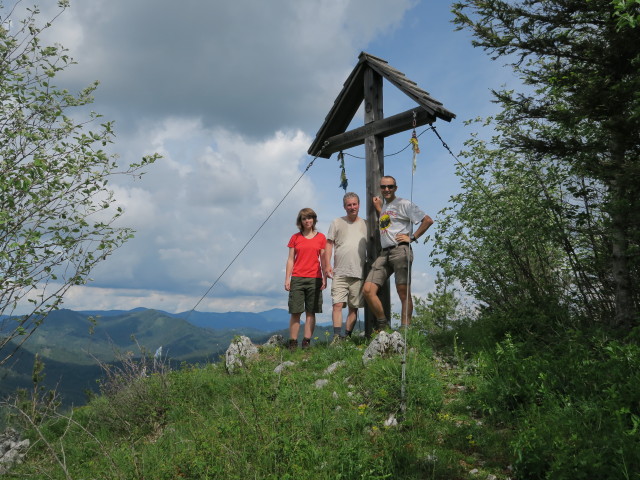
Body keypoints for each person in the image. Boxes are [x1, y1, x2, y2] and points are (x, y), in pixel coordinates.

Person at [363, 175, 433, 330]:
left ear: (396, 188)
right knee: (368, 290)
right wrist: (379, 209)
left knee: (403, 292)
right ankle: (383, 324)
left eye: (390, 187)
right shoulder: (386, 207)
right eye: (383, 187)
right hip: (384, 253)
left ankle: (405, 329)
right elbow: (390, 222)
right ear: (380, 189)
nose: (386, 190)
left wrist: (412, 237)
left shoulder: (404, 203)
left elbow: (427, 220)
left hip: (401, 250)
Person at [324, 192, 367, 341]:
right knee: (337, 304)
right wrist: (327, 264)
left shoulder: (366, 224)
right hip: (340, 271)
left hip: (359, 272)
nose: (352, 207)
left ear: (359, 205)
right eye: (349, 205)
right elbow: (329, 244)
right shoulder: (336, 222)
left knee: (353, 307)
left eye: (354, 204)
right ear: (344, 207)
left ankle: (346, 337)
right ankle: (336, 337)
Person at [285, 208, 327, 350]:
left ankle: (306, 342)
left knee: (311, 311)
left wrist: (325, 277)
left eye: (310, 218)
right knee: (295, 311)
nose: (307, 221)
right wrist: (287, 278)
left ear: (314, 219)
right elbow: (290, 259)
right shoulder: (295, 238)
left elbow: (323, 259)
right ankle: (292, 343)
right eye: (304, 218)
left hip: (315, 278)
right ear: (300, 221)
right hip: (297, 277)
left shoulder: (321, 238)